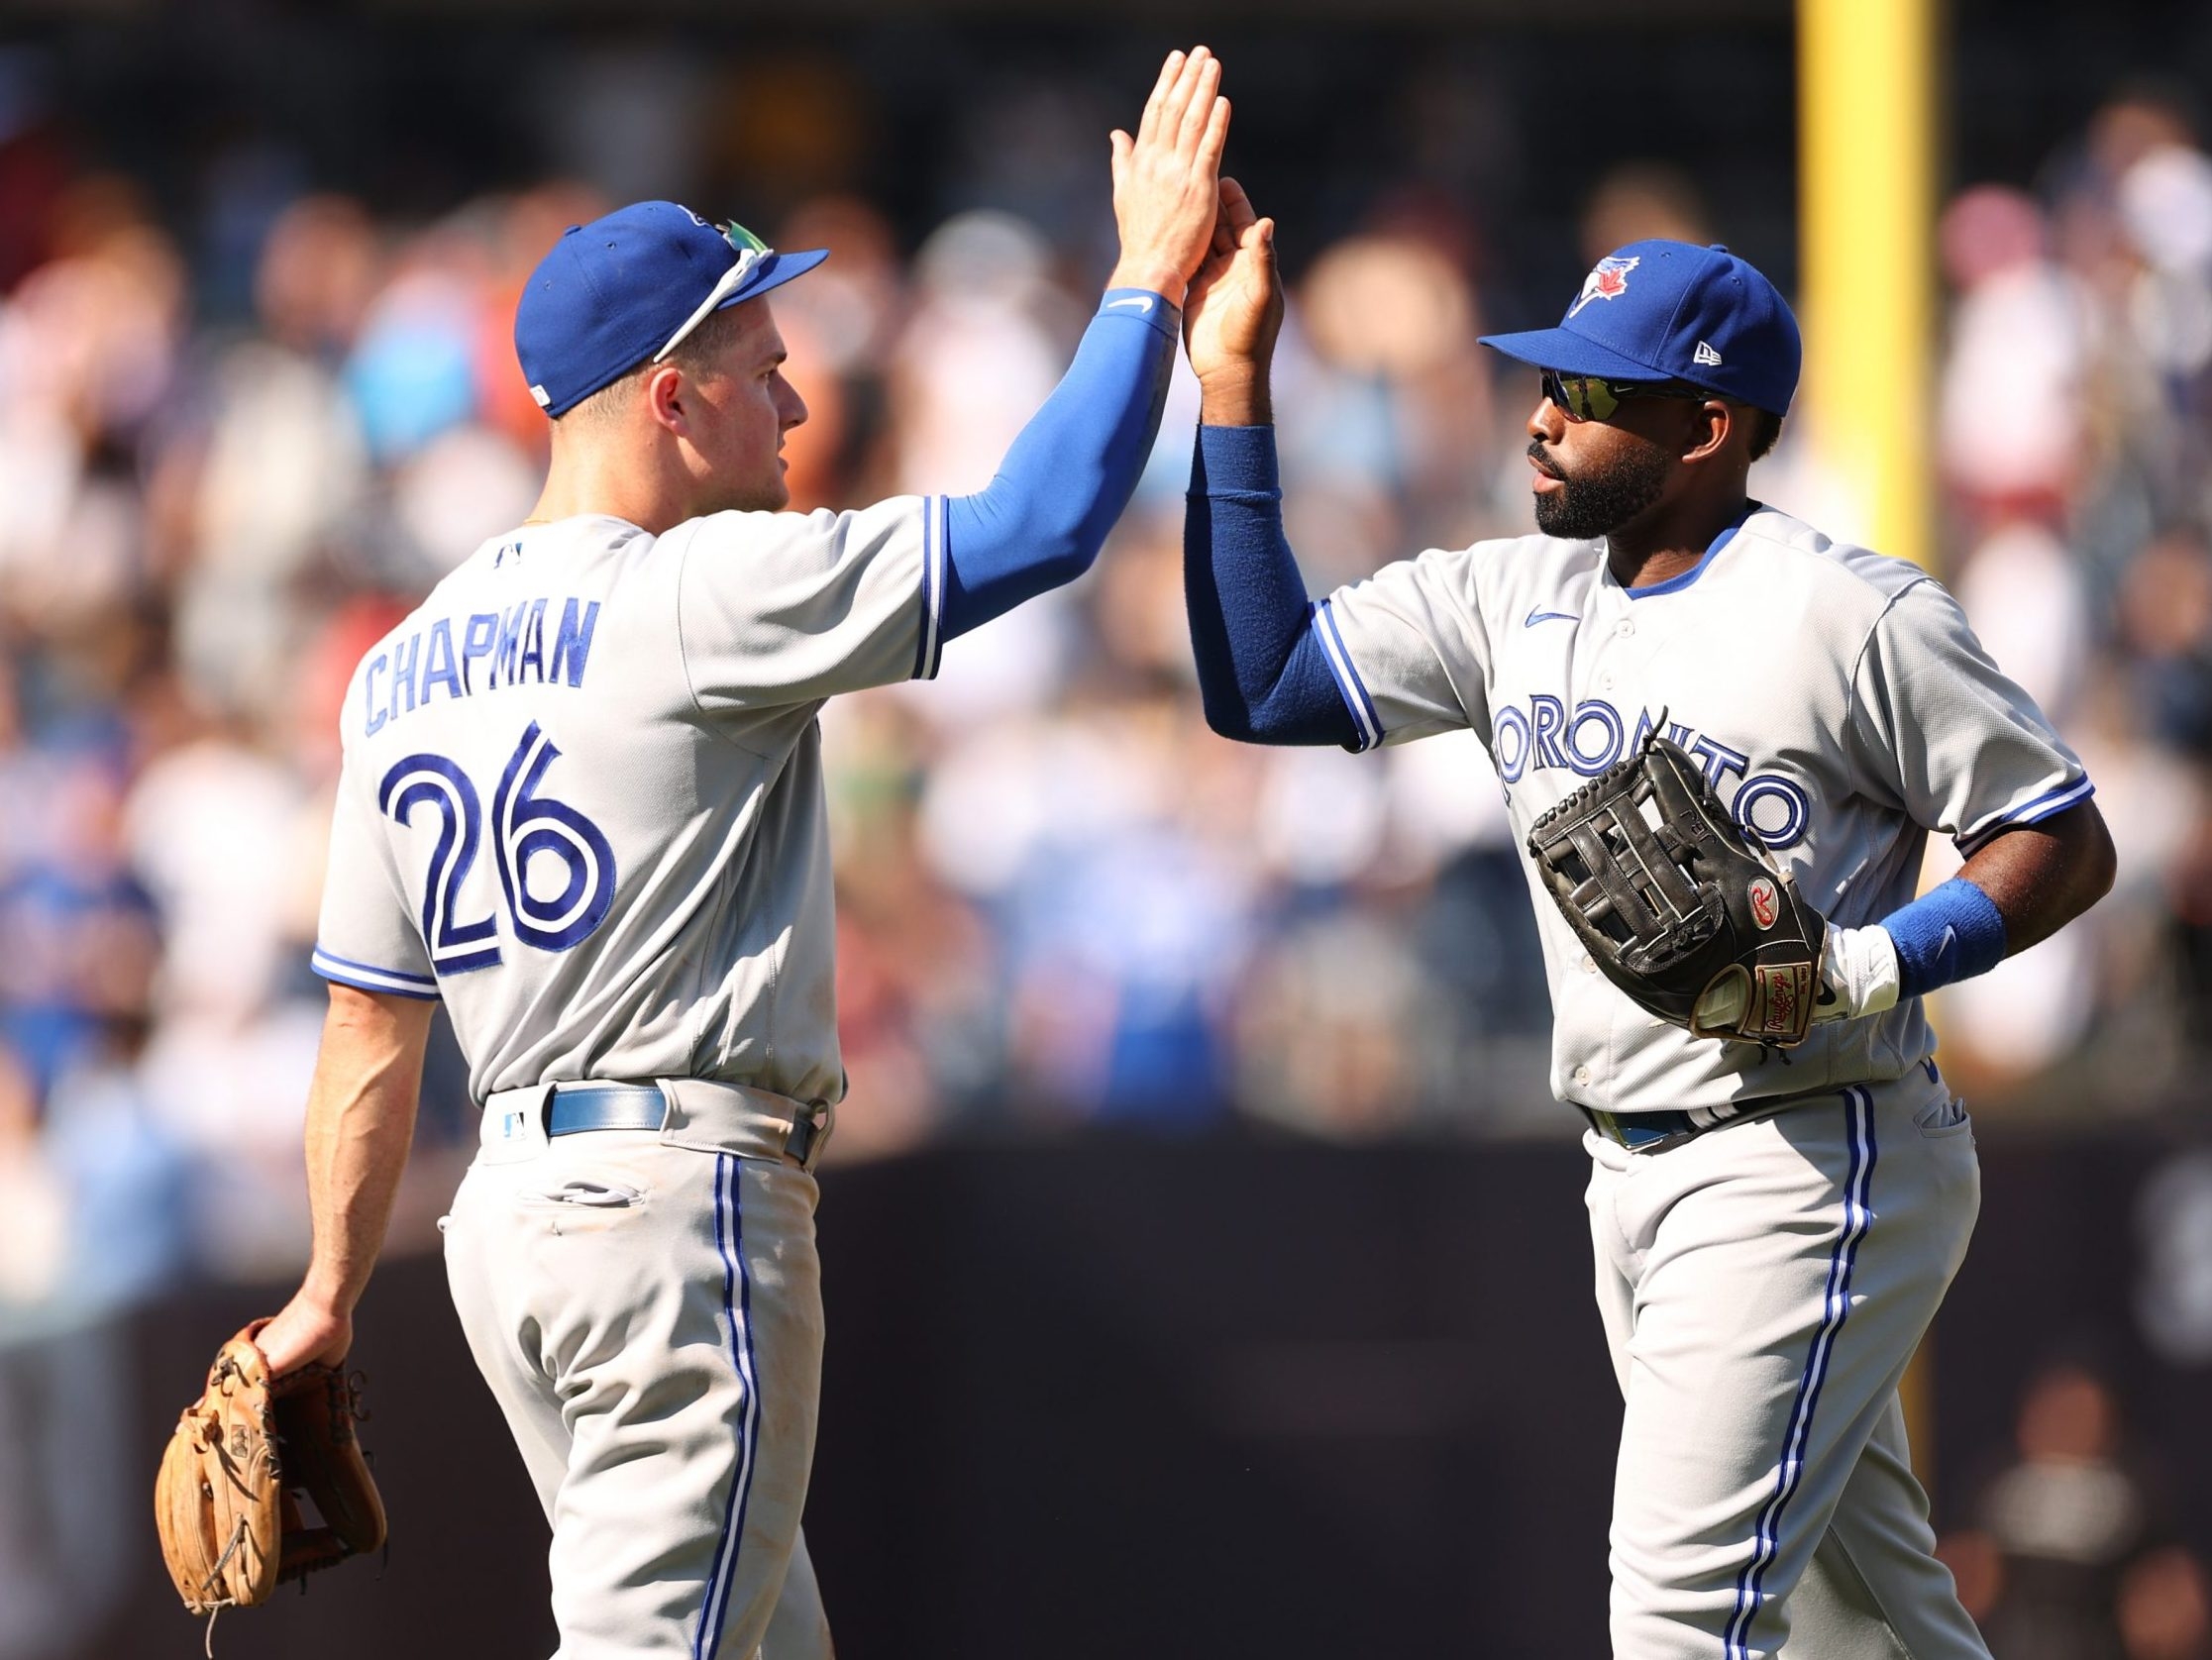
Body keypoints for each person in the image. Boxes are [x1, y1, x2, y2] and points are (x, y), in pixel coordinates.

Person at [249, 46, 1233, 1658]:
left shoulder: (402, 661)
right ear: (667, 394)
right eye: (760, 366)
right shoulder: (699, 596)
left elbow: (371, 1021)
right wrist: (1139, 280)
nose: (793, 403)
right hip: (670, 1209)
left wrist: (331, 1290)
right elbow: (1043, 524)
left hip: (510, 1225)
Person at [1179, 182, 2117, 1657]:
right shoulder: (1509, 596)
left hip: (1804, 1155)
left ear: (1709, 428)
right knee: (1865, 1621)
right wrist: (1231, 383)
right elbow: (1266, 686)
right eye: (1547, 381)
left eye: (1596, 393)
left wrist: (1873, 961)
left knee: (1680, 1617)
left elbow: (2058, 836)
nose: (1543, 418)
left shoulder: (1845, 614)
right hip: (1628, 1166)